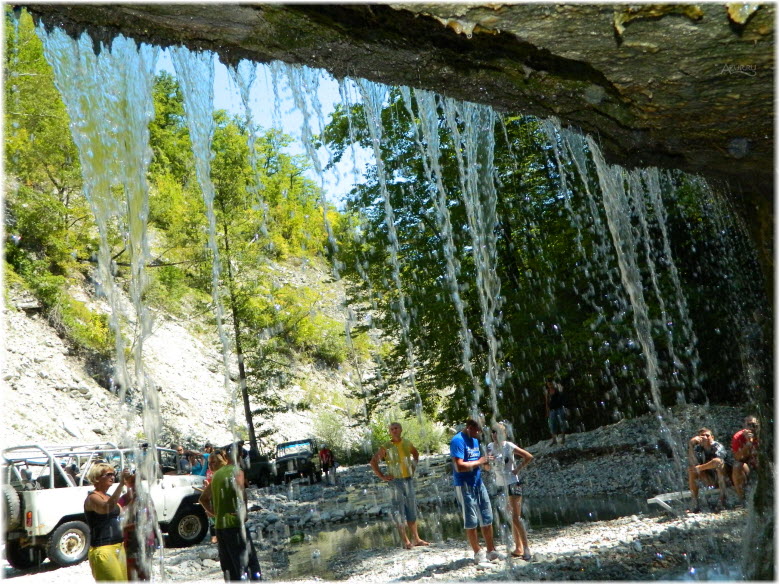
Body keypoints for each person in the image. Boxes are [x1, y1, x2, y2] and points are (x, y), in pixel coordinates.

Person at [199, 448, 261, 581]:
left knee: (229, 568)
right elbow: (241, 492)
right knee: (249, 564)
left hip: (220, 528)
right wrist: (243, 513)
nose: (211, 466)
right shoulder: (236, 471)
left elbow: (202, 499)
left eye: (213, 463)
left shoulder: (214, 477)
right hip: (234, 525)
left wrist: (216, 514)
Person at [370, 422, 430, 549]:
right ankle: (406, 541)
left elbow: (416, 454)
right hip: (395, 482)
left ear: (401, 429)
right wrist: (382, 476)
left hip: (408, 480)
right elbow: (373, 462)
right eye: (391, 429)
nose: (394, 430)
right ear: (389, 432)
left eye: (396, 428)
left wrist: (412, 468)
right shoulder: (386, 446)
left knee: (411, 509)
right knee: (399, 511)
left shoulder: (407, 443)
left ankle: (416, 539)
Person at [450, 419, 501, 564]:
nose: (479, 434)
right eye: (478, 430)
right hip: (464, 484)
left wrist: (487, 463)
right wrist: (480, 461)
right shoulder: (457, 441)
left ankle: (491, 550)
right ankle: (478, 552)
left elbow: (479, 463)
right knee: (471, 520)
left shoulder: (475, 440)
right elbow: (459, 466)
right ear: (469, 427)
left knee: (487, 516)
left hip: (478, 482)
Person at [487, 423, 533, 560]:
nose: (495, 435)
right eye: (493, 432)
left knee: (515, 517)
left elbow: (529, 456)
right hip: (501, 485)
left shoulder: (509, 446)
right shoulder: (490, 447)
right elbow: (487, 466)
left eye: (498, 432)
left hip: (513, 483)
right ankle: (518, 548)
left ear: (503, 434)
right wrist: (487, 464)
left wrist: (517, 469)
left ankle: (526, 548)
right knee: (510, 517)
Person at [84, 462, 127, 581]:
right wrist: (121, 484)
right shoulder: (92, 497)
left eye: (114, 474)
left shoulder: (108, 495)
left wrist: (133, 484)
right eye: (108, 474)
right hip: (103, 549)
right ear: (97, 478)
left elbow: (121, 507)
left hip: (118, 546)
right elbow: (106, 508)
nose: (112, 477)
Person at [118, 470, 158, 581]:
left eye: (137, 484)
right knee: (131, 571)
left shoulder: (145, 498)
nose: (135, 487)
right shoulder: (123, 500)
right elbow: (118, 520)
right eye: (132, 484)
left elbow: (152, 518)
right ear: (127, 485)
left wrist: (155, 537)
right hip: (130, 542)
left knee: (144, 572)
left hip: (145, 540)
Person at [687, 427, 731, 512]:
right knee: (692, 471)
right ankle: (695, 502)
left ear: (712, 437)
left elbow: (717, 462)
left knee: (718, 463)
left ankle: (722, 499)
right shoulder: (698, 449)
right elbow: (693, 463)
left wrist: (699, 468)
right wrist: (691, 445)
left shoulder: (717, 446)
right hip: (710, 478)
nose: (705, 437)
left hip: (725, 477)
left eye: (707, 435)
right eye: (702, 436)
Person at [731, 415, 759, 503]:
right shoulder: (738, 437)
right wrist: (748, 444)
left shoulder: (763, 435)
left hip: (759, 464)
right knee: (737, 466)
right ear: (744, 426)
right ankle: (742, 499)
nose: (751, 428)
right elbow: (737, 457)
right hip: (746, 466)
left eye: (754, 425)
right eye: (749, 425)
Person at [205, 448, 228, 545]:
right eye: (209, 463)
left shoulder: (224, 475)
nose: (210, 465)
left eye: (213, 462)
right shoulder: (214, 474)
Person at [544, 379, 567, 445]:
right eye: (548, 384)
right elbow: (547, 402)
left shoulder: (558, 388)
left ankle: (563, 438)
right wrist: (547, 411)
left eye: (551, 383)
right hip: (552, 410)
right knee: (552, 424)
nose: (550, 385)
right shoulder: (547, 392)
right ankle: (554, 440)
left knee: (562, 423)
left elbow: (563, 396)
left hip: (560, 408)